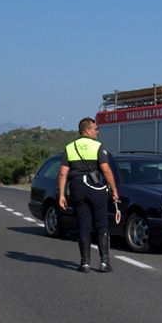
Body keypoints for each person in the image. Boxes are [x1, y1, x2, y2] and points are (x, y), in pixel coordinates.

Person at [58, 117, 119, 273]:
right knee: (101, 224)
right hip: (95, 188)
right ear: (87, 130)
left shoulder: (69, 147)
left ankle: (85, 263)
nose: (97, 131)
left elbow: (63, 173)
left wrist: (62, 195)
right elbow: (105, 169)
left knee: (83, 226)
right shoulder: (97, 146)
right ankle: (104, 262)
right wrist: (114, 190)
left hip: (77, 188)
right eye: (95, 129)